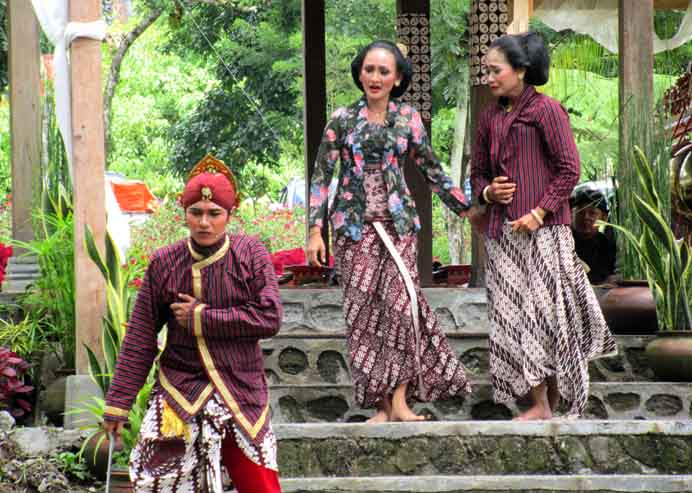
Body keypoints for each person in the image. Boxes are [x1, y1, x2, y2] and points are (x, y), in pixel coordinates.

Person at [306, 40, 476, 423]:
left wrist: (469, 210)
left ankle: (401, 402)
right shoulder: (342, 119)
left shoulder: (408, 119)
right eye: (369, 70)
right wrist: (316, 231)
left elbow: (433, 171)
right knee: (364, 317)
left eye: (384, 71)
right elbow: (320, 178)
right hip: (354, 231)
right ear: (359, 73)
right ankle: (381, 407)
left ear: (398, 78)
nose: (376, 77)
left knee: (402, 310)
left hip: (398, 229)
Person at [102, 154, 282, 493]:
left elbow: (270, 316)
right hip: (178, 390)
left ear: (231, 214)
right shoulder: (164, 263)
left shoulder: (251, 254)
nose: (204, 223)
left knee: (259, 484)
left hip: (239, 388)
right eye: (195, 213)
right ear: (183, 212)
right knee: (160, 483)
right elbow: (140, 338)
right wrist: (118, 404)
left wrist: (203, 317)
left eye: (214, 214)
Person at [469, 32, 617, 420]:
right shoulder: (489, 117)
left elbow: (569, 169)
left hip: (546, 234)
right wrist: (487, 193)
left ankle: (545, 404)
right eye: (487, 70)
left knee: (546, 316)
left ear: (520, 70)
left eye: (495, 70)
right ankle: (539, 404)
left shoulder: (547, 111)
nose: (489, 77)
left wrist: (539, 212)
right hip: (503, 237)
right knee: (512, 317)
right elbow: (478, 173)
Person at [571, 190, 617, 284]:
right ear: (572, 215)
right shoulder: (564, 242)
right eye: (580, 212)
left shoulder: (608, 246)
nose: (586, 217)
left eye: (592, 213)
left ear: (604, 218)